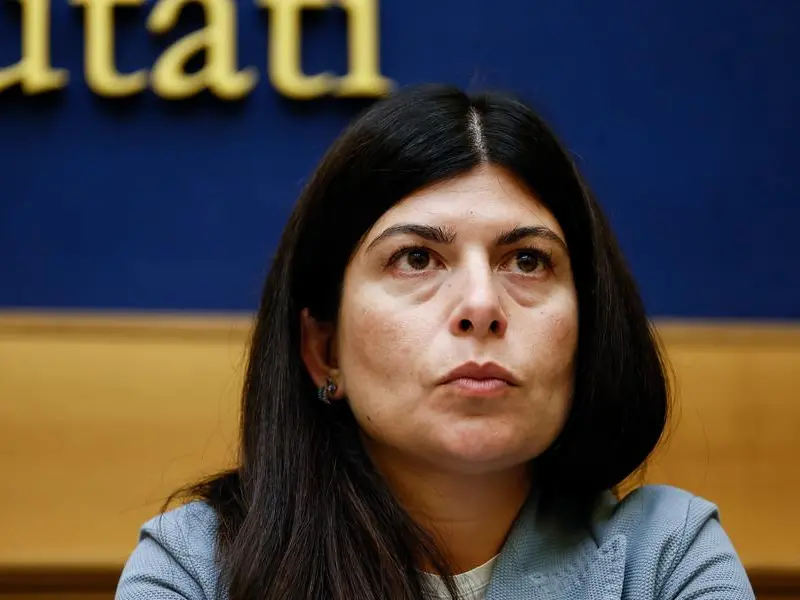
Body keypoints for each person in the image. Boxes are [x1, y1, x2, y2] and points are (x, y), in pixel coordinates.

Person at [115, 85, 754, 600]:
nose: (481, 306)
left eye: (527, 261)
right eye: (416, 258)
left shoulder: (665, 556)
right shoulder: (199, 566)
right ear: (324, 350)